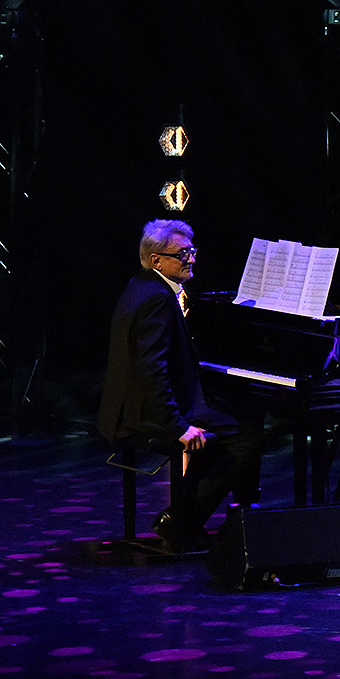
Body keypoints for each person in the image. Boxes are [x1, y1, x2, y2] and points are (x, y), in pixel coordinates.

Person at [97, 219, 263, 550]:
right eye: (182, 254)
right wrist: (179, 428)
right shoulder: (158, 299)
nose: (192, 259)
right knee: (245, 437)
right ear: (156, 260)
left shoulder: (142, 284)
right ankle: (181, 519)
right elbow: (152, 370)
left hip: (133, 405)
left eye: (192, 251)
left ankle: (190, 518)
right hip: (143, 414)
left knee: (230, 424)